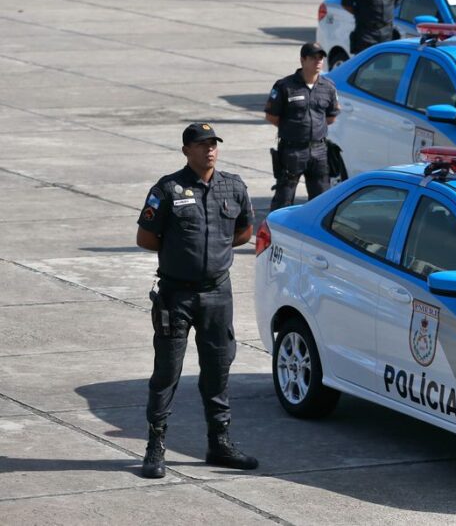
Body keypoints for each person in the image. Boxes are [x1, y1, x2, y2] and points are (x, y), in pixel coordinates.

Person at [136, 122, 258, 479]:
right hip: (177, 295)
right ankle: (155, 447)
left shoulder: (233, 186)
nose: (210, 150)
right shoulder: (168, 189)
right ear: (186, 150)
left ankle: (219, 443)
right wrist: (180, 254)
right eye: (202, 144)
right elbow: (146, 237)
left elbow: (244, 231)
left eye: (213, 144)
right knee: (167, 373)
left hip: (218, 293)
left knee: (218, 369)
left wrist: (213, 254)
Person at [264, 41, 341, 211]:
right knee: (284, 197)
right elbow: (271, 116)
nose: (318, 62)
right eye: (313, 58)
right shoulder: (285, 86)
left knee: (321, 200)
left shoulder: (328, 87)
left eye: (320, 58)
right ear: (302, 60)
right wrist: (294, 130)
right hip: (292, 150)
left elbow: (331, 117)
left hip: (319, 150)